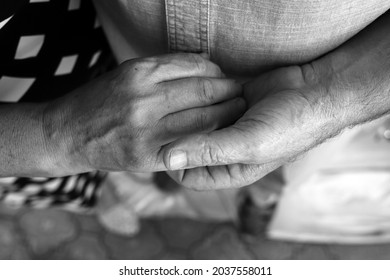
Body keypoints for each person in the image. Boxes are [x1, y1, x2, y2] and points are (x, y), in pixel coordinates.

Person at [93, 0, 390, 190]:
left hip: (331, 89)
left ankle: (263, 200)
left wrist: (323, 97)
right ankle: (165, 176)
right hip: (133, 57)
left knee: (286, 173)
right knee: (152, 150)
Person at [0, 0, 244, 209]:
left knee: (122, 139)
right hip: (26, 137)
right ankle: (96, 201)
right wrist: (60, 137)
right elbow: (71, 142)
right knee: (72, 179)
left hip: (94, 50)